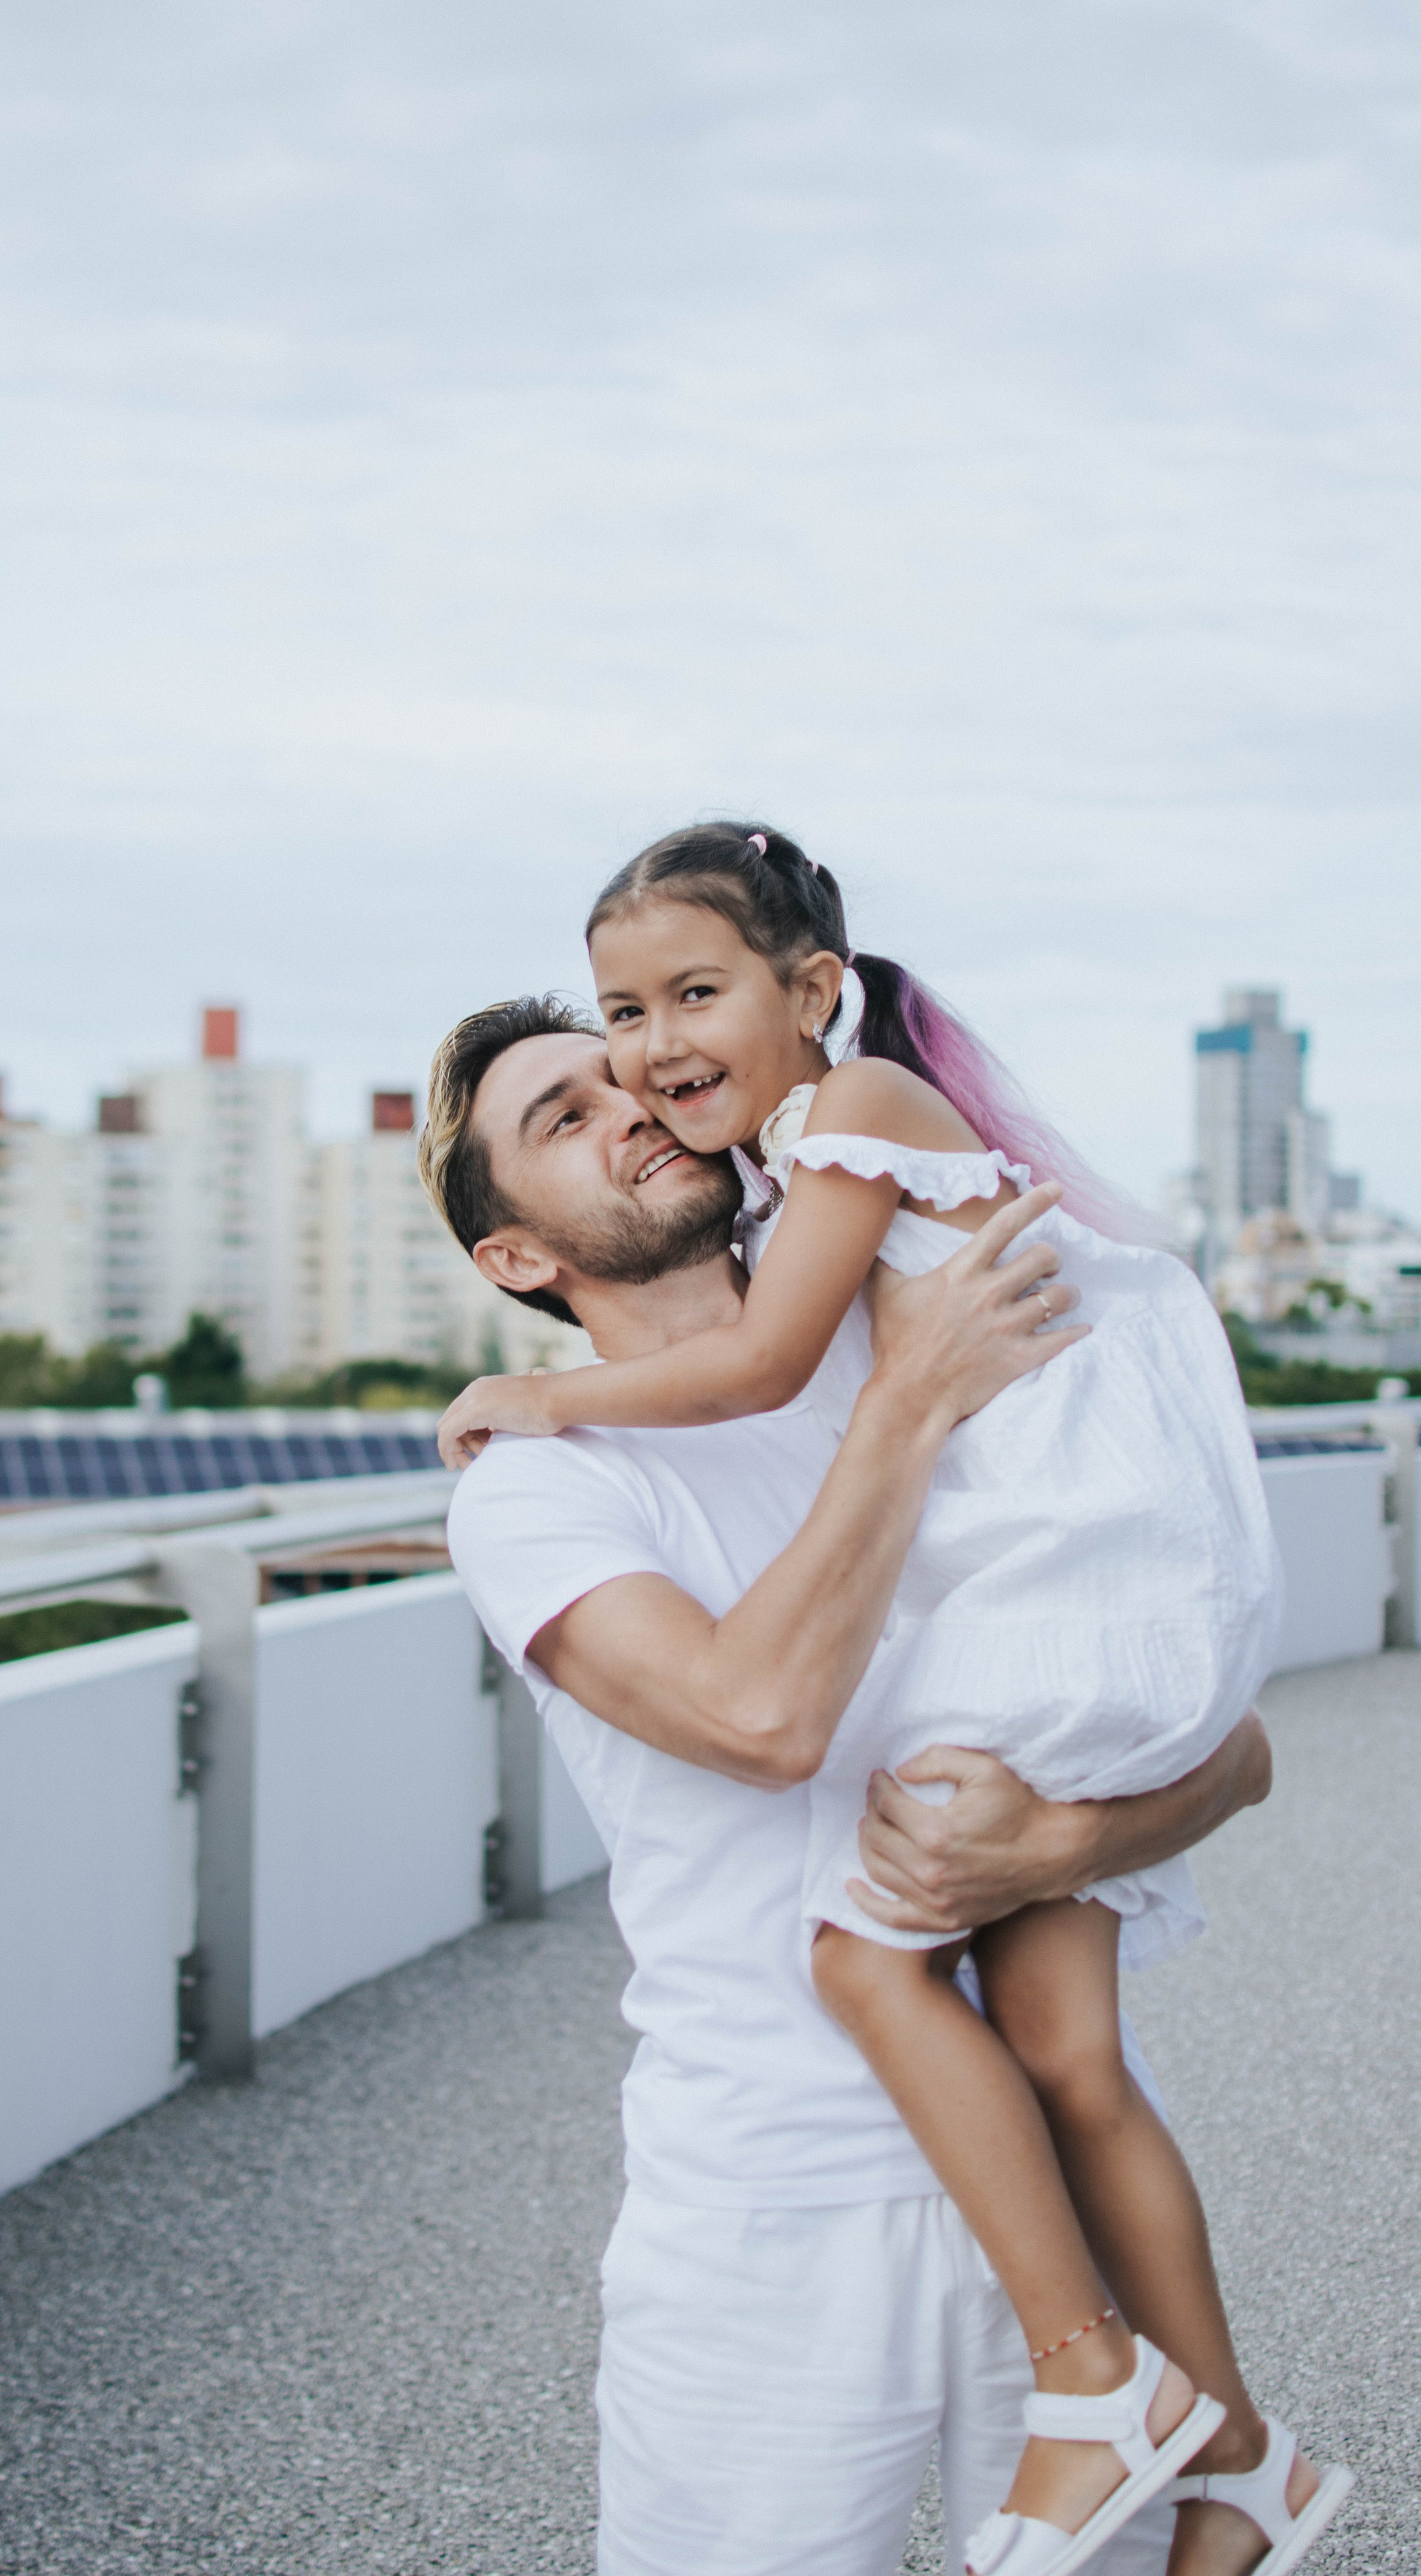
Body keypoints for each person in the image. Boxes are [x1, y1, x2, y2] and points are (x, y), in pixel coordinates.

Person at [436, 830, 1351, 2576]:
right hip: (774, 2217)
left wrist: (1064, 1840)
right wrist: (902, 1408)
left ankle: (1215, 2455)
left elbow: (1230, 1751)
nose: (633, 1090)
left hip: (1039, 2206)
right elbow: (762, 1719)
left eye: (641, 1044)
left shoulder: (915, 1334)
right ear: (518, 1263)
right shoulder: (545, 1484)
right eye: (566, 1110)